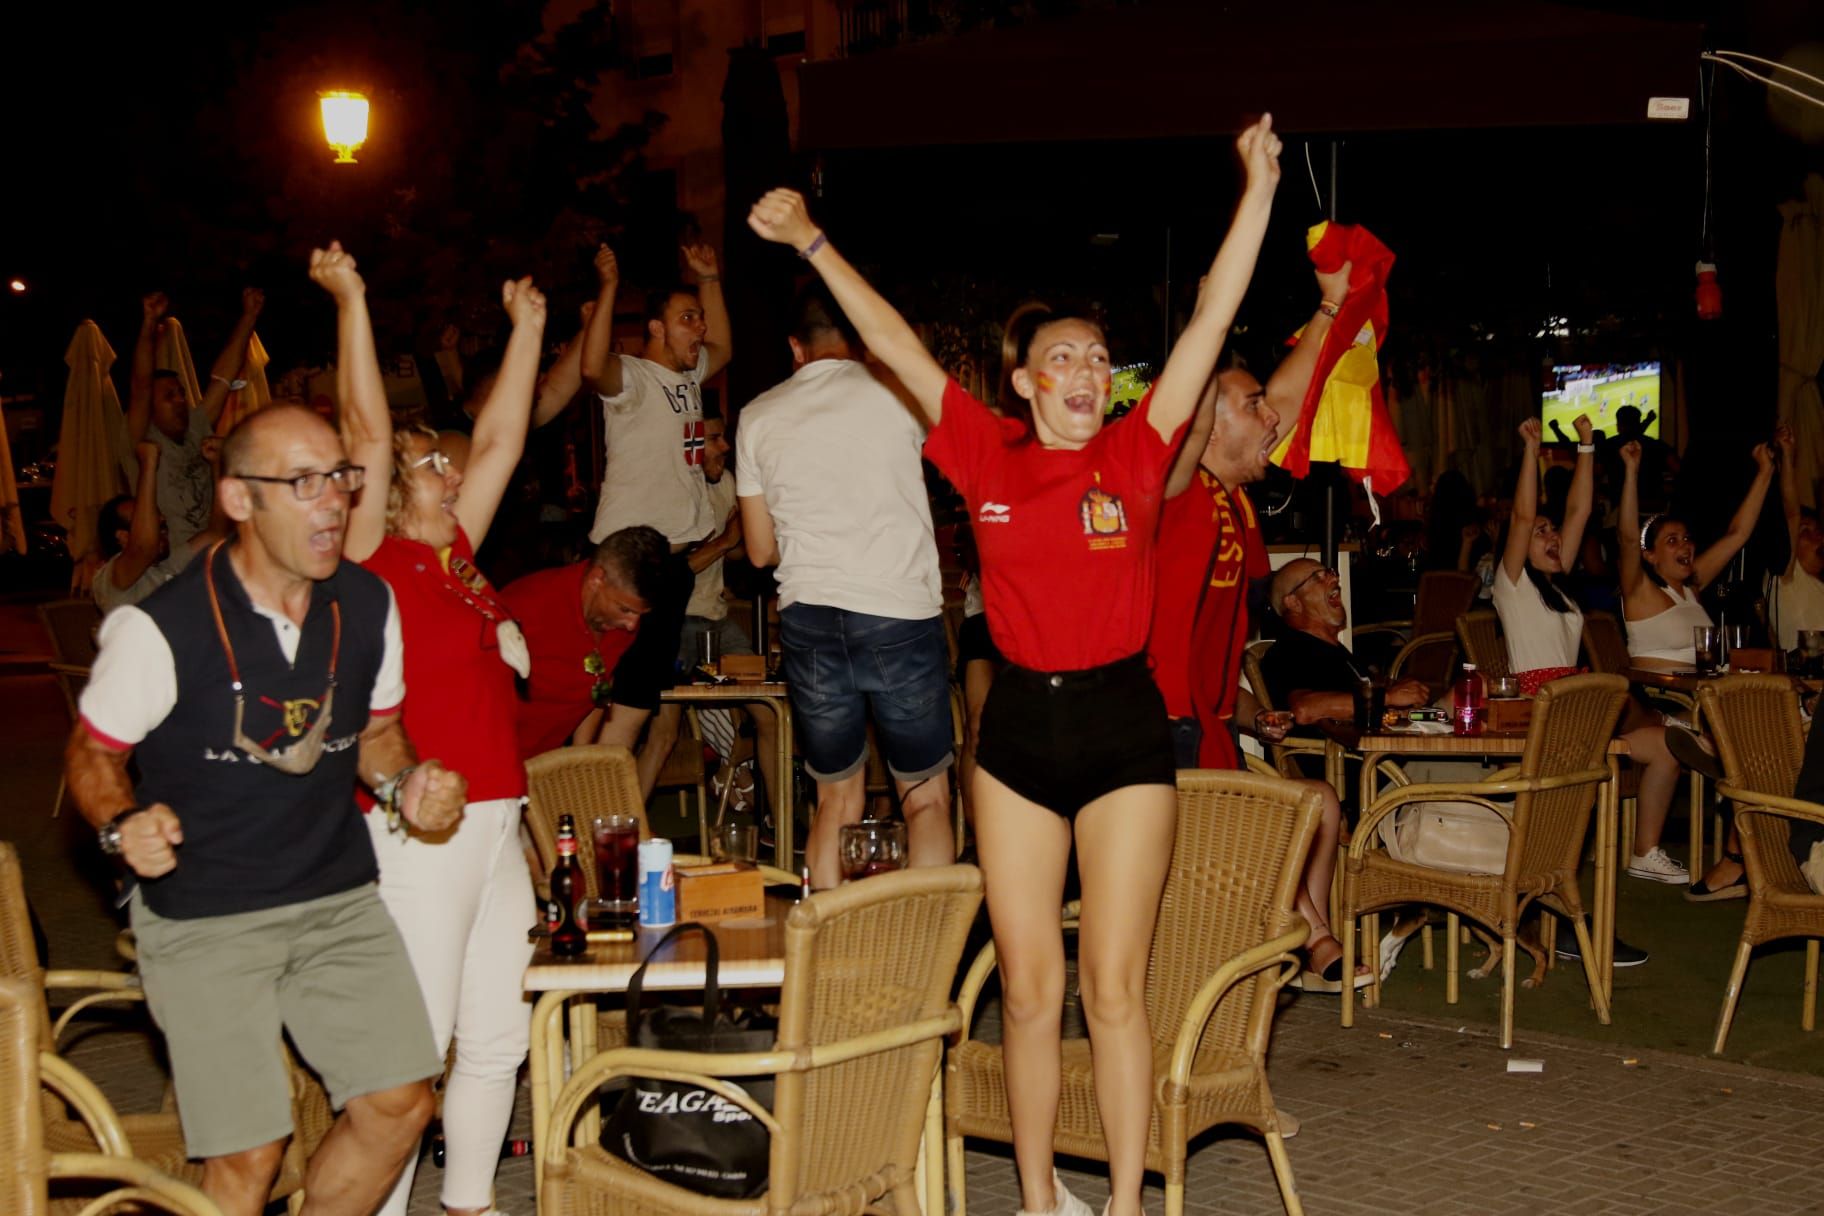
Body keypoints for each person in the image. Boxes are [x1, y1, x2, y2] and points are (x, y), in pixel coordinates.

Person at [748, 112, 1280, 1216]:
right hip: (1019, 740)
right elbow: (891, 341)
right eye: (1063, 360)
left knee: (1115, 990)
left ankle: (1126, 1203)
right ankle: (1041, 1199)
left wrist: (1260, 193)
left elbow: (1211, 319)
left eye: (1097, 358)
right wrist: (810, 242)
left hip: (1125, 727)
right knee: (1032, 994)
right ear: (1028, 384)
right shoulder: (986, 450)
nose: (1085, 371)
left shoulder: (1137, 455)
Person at [64, 403, 466, 1216]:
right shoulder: (160, 626)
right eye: (304, 483)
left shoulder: (367, 605)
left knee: (401, 1105)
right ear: (240, 500)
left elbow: (380, 733)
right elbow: (92, 752)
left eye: (341, 480)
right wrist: (122, 823)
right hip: (207, 913)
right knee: (249, 1154)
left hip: (335, 896)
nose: (332, 503)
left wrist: (406, 784)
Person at [316, 241, 546, 1216]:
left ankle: (468, 1204)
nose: (450, 470)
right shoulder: (370, 559)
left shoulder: (456, 557)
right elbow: (364, 422)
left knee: (497, 1036)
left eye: (444, 462)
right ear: (378, 486)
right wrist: (352, 297)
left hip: (495, 822)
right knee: (410, 1053)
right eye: (427, 464)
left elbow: (501, 442)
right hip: (419, 825)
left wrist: (531, 330)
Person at [736, 284, 955, 889]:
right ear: (856, 341)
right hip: (897, 612)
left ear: (795, 347)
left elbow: (759, 550)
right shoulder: (899, 394)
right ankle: (925, 948)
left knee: (836, 798)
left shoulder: (757, 415)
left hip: (809, 615)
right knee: (926, 797)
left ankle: (829, 956)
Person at [1147, 253, 1346, 770]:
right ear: (1207, 430)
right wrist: (1210, 314)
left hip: (1212, 726)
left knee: (1316, 815)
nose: (1272, 416)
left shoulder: (1235, 498)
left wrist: (1330, 306)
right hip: (1161, 732)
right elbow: (1184, 403)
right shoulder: (1180, 490)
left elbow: (1288, 394)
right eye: (1253, 405)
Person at [1493, 415, 1689, 911]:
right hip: (1542, 713)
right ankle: (1676, 720)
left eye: (1552, 530)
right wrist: (1529, 454)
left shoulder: (1557, 587)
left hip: (1577, 710)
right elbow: (1519, 518)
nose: (1553, 535)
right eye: (1543, 532)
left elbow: (1579, 514)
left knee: (1667, 748)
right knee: (1621, 698)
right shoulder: (1510, 586)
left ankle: (1644, 851)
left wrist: (1585, 448)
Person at [578, 242, 733, 798]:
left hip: (671, 567)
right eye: (688, 318)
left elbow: (726, 347)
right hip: (629, 561)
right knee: (604, 701)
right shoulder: (637, 379)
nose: (701, 328)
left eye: (701, 317)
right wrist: (609, 290)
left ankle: (601, 816)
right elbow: (593, 367)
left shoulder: (689, 381)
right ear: (656, 328)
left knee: (636, 705)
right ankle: (577, 807)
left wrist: (710, 277)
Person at [676, 404, 780, 814]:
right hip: (679, 626)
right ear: (689, 446)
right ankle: (732, 773)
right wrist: (724, 542)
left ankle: (775, 822)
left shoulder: (726, 480)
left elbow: (736, 553)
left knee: (768, 712)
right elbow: (670, 574)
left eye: (724, 437)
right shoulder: (672, 492)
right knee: (670, 727)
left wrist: (752, 530)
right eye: (714, 439)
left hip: (716, 621)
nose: (724, 447)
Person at [501, 526, 669, 759]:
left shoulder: (619, 623)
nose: (632, 625)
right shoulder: (527, 609)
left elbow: (599, 686)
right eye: (625, 609)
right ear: (596, 579)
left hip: (544, 763)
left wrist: (581, 755)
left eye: (640, 614)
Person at [1619, 434, 1774, 671]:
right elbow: (1629, 540)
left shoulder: (1691, 589)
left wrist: (1765, 470)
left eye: (1687, 538)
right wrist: (1631, 471)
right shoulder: (1639, 589)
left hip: (1700, 692)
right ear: (1650, 555)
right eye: (1672, 540)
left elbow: (1737, 534)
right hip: (1660, 696)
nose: (1685, 545)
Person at [127, 287, 266, 548]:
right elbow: (141, 384)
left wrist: (249, 317)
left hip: (214, 551)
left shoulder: (196, 427)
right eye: (169, 396)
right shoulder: (143, 439)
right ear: (150, 408)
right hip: (172, 566)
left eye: (181, 393)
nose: (180, 399)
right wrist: (148, 324)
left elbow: (223, 379)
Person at [92, 439, 229, 613]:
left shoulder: (164, 567)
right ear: (123, 537)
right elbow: (144, 546)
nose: (161, 518)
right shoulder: (111, 580)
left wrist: (218, 465)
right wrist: (148, 464)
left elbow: (217, 533)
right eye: (145, 517)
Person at [1767, 425, 1824, 652]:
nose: (1817, 535)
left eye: (1818, 529)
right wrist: (1787, 457)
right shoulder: (1787, 578)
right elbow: (1791, 512)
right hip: (1804, 682)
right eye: (1805, 532)